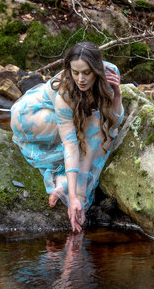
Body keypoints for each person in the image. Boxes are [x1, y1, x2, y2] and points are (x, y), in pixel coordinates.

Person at [10, 41, 124, 233]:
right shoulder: (64, 92)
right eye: (75, 72)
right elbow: (70, 145)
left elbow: (115, 121)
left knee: (101, 129)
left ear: (97, 68)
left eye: (86, 72)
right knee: (92, 128)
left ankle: (67, 183)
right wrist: (73, 198)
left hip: (62, 121)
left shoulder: (111, 72)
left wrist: (118, 94)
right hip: (31, 118)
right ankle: (73, 190)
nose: (81, 79)